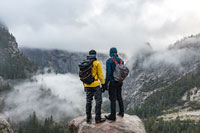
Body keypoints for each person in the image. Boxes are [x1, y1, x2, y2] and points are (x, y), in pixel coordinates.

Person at [84, 50, 106, 124]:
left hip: (87, 85)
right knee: (98, 101)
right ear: (95, 55)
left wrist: (85, 85)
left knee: (88, 101)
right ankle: (98, 118)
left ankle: (88, 117)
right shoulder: (97, 63)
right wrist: (103, 84)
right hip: (95, 85)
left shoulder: (85, 63)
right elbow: (100, 75)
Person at [103, 47, 124, 121]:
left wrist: (105, 83)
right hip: (120, 82)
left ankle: (113, 116)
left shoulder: (109, 61)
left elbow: (108, 73)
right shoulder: (121, 61)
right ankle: (121, 112)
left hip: (113, 82)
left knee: (113, 99)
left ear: (110, 53)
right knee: (119, 97)